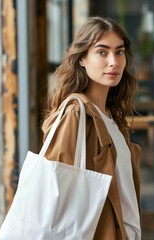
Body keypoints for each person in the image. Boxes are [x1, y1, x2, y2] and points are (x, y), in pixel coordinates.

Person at [42, 16, 141, 240]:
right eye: (102, 52)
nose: (114, 62)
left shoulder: (112, 118)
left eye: (119, 52)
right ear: (82, 59)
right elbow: (53, 186)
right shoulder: (77, 113)